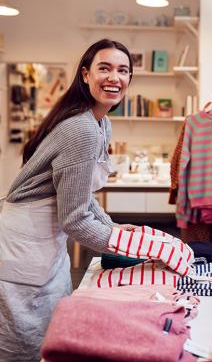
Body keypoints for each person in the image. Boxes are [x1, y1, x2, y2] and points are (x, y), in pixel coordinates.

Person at [0, 39, 133, 361]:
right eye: (105, 68)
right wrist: (123, 245)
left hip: (45, 242)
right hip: (25, 246)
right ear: (85, 75)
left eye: (123, 70)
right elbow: (74, 219)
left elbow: (82, 196)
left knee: (51, 325)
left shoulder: (100, 123)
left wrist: (113, 229)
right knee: (25, 341)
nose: (114, 77)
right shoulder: (82, 129)